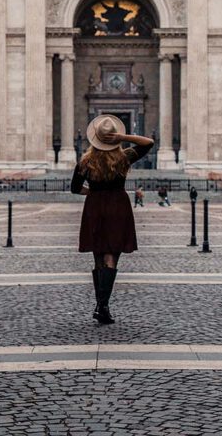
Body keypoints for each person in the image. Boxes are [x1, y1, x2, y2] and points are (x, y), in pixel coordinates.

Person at [71, 115, 154, 325]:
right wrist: (122, 137)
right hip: (118, 206)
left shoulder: (85, 161)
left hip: (95, 206)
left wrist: (94, 193)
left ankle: (101, 305)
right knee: (112, 254)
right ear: (114, 140)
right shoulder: (124, 157)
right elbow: (148, 143)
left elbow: (75, 188)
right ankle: (102, 306)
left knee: (98, 253)